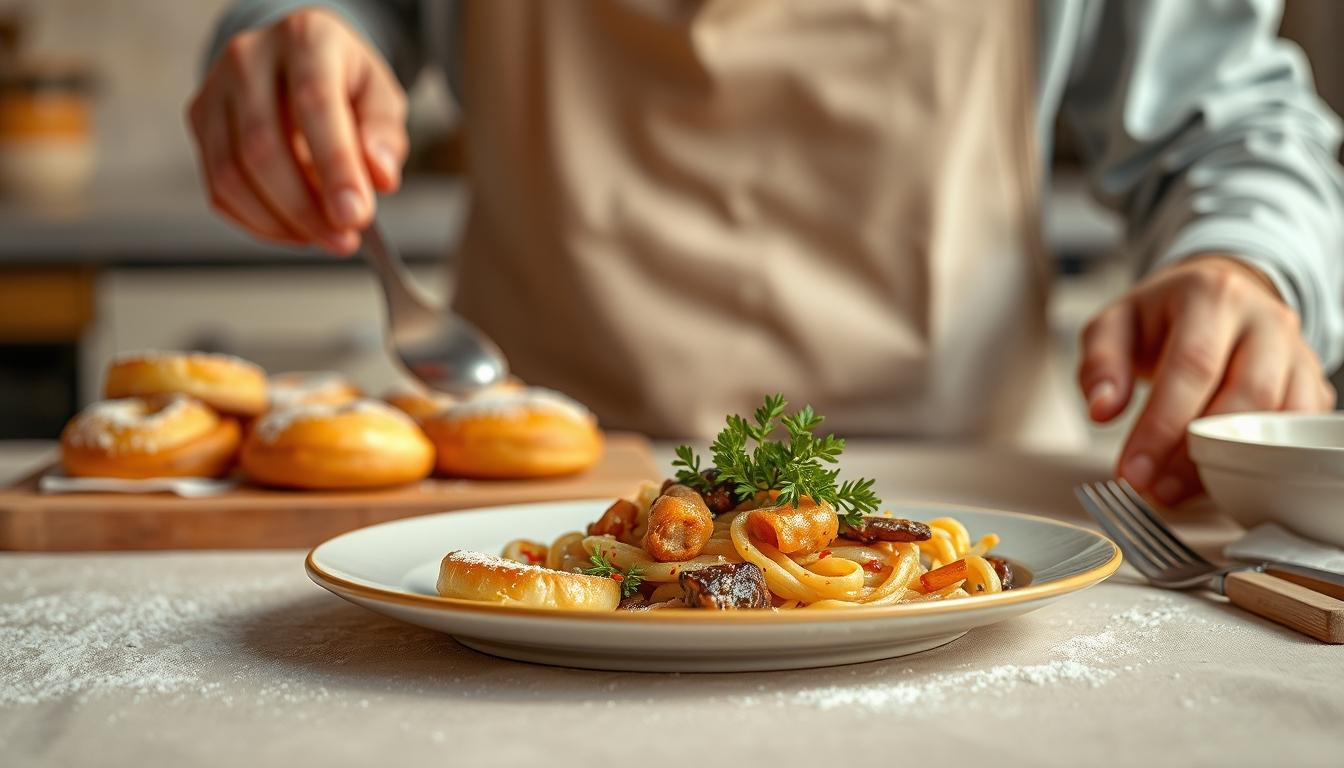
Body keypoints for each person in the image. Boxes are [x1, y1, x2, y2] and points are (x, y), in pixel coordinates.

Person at [188, 0, 1343, 505]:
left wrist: (1247, 266)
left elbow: (1237, 125)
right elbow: (320, 6)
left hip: (972, 513)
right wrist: (290, 38)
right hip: (527, 511)